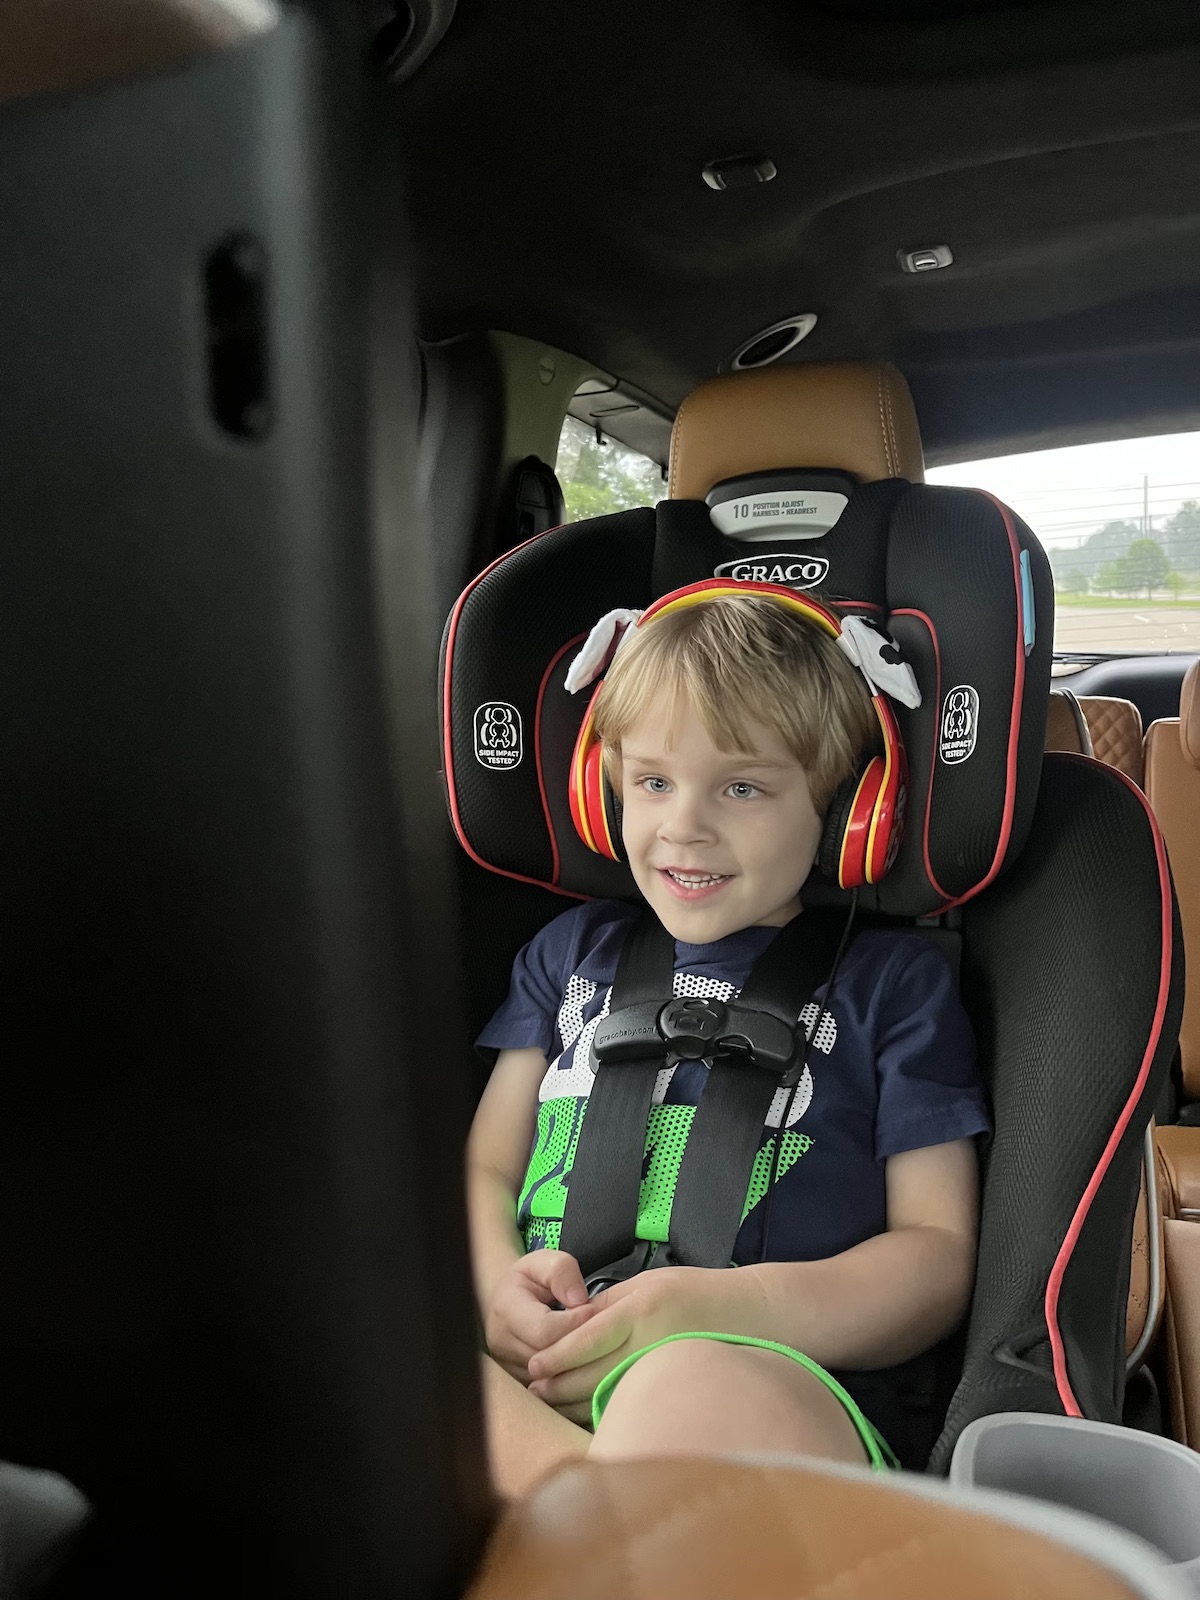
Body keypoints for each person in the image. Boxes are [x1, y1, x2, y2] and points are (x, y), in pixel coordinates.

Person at [466, 589, 990, 1498]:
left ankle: (582, 1519)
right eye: (653, 782)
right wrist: (492, 1288)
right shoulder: (567, 955)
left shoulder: (896, 986)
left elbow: (937, 1252)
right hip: (542, 1359)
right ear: (606, 792)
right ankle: (594, 1516)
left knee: (683, 1384)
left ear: (846, 808)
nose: (684, 825)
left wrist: (712, 1309)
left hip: (772, 1374)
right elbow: (483, 1170)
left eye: (742, 787)